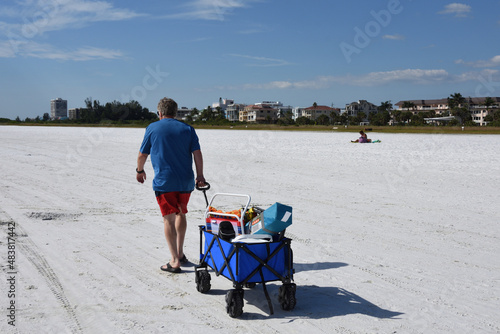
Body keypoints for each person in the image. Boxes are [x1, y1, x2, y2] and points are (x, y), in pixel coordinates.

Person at [136, 97, 206, 273]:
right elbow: (197, 154)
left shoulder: (152, 128)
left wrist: (139, 170)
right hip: (185, 181)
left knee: (168, 219)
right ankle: (181, 253)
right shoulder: (188, 129)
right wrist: (200, 176)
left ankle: (174, 261)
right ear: (175, 113)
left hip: (165, 182)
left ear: (159, 113)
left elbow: (142, 155)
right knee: (181, 213)